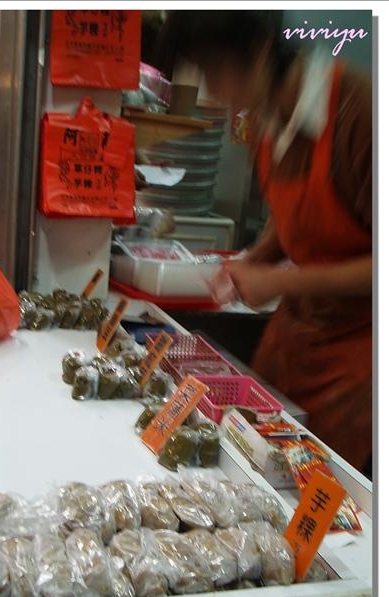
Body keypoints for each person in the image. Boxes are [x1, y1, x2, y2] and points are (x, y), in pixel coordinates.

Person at [154, 11, 372, 473]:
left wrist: (279, 282)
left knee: (321, 488)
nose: (213, 92)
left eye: (216, 71)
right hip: (295, 338)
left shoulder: (361, 110)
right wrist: (255, 259)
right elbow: (295, 215)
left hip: (361, 358)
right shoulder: (266, 117)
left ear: (260, 51)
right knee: (248, 462)